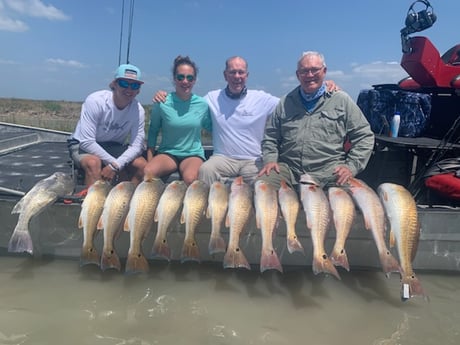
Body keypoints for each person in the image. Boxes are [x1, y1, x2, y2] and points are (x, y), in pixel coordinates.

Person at [153, 56, 339, 186]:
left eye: (241, 72)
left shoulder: (262, 98)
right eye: (232, 72)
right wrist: (164, 95)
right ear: (225, 75)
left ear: (247, 75)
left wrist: (322, 86)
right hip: (222, 158)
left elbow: (291, 102)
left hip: (253, 159)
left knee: (266, 181)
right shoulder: (211, 98)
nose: (237, 77)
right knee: (206, 171)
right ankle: (209, 218)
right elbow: (185, 98)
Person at [258, 51, 375, 189]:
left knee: (353, 196)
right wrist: (270, 160)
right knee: (262, 185)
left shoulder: (341, 100)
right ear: (297, 75)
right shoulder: (285, 102)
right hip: (289, 171)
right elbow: (270, 137)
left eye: (314, 70)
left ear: (324, 71)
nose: (310, 75)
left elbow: (364, 136)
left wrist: (351, 166)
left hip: (329, 172)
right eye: (304, 71)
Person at [68, 63, 147, 191]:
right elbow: (87, 142)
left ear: (138, 90)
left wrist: (115, 166)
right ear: (114, 84)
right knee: (93, 163)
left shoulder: (138, 110)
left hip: (113, 146)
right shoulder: (95, 101)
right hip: (82, 144)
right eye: (124, 84)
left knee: (142, 166)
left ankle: (126, 202)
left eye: (134, 85)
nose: (129, 89)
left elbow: (136, 146)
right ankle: (93, 207)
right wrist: (114, 165)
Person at [144, 55, 212, 185]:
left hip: (192, 154)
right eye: (180, 77)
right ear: (174, 79)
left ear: (194, 80)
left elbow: (213, 127)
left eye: (189, 78)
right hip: (168, 153)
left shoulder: (202, 104)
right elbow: (153, 131)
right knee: (148, 172)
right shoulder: (162, 102)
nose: (185, 81)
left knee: (190, 178)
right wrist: (150, 160)